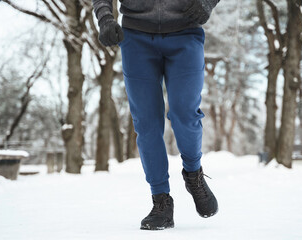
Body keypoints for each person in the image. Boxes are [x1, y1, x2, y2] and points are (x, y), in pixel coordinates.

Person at [92, 0, 220, 230]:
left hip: (186, 30)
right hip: (135, 36)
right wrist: (105, 18)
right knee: (146, 122)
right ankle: (161, 201)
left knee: (185, 113)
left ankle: (193, 174)